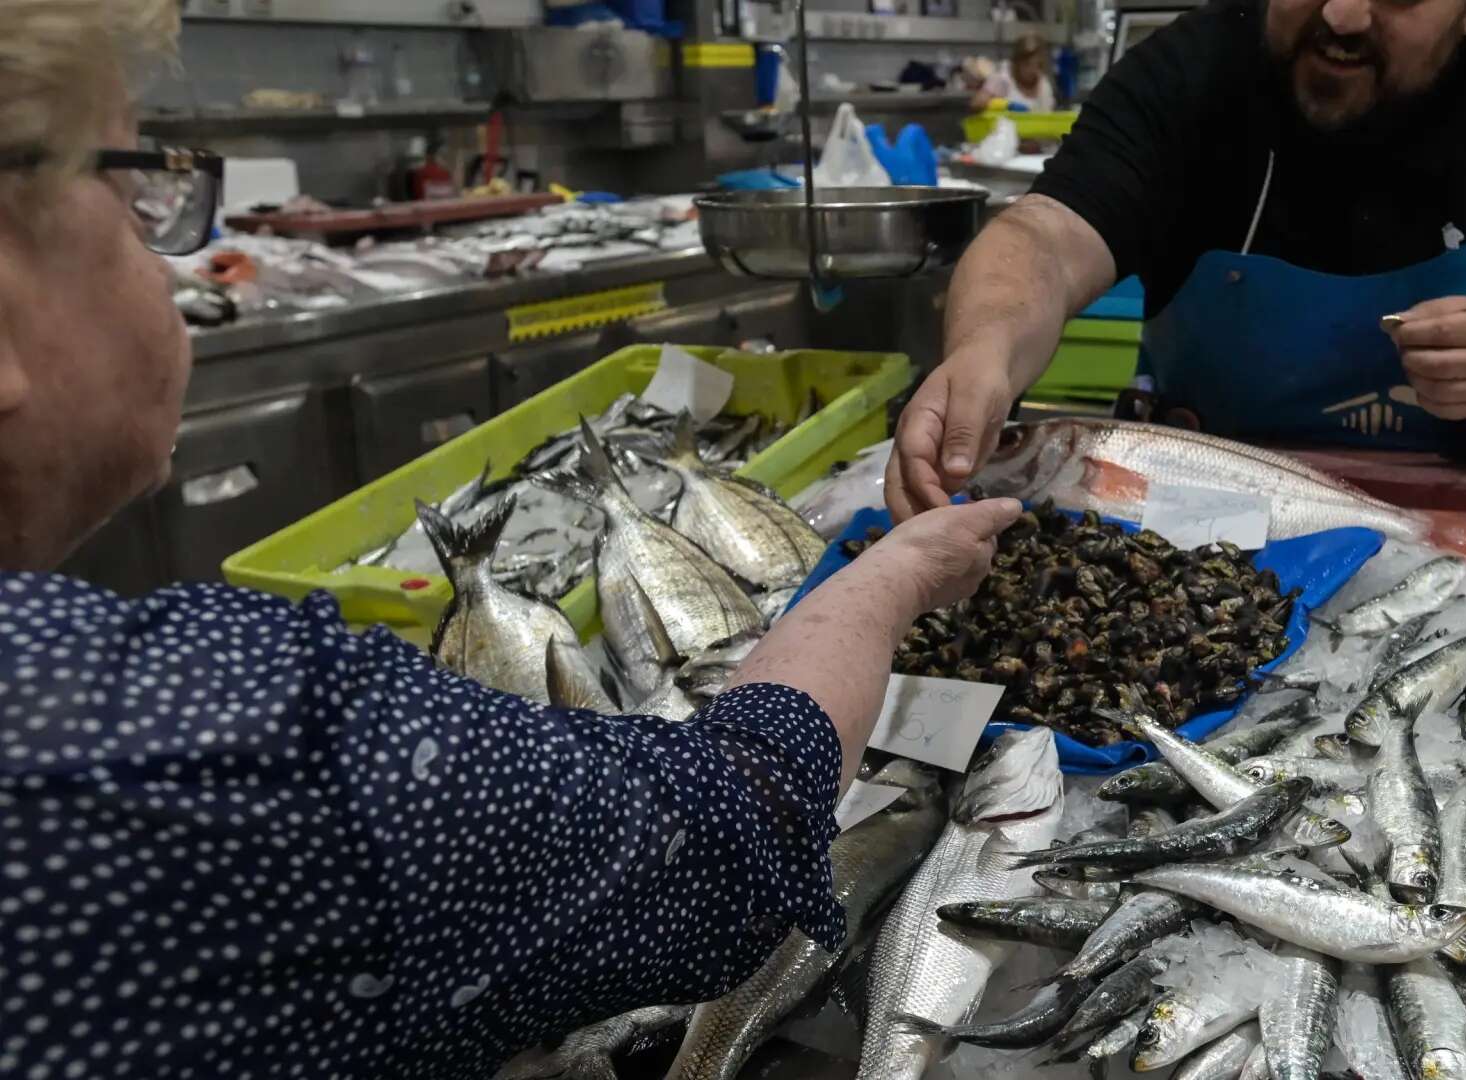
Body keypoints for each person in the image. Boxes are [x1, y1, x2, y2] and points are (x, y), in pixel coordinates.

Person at [0, 3, 1022, 1078]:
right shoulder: (217, 746)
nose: (174, 265)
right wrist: (896, 574)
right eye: (133, 204)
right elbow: (732, 833)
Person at [888, 0, 1466, 520]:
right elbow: (1043, 236)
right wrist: (985, 353)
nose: (1342, 14)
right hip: (1222, 537)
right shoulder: (1199, 68)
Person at [971, 33, 1057, 113]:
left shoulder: (1044, 84)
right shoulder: (1003, 78)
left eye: (1038, 65)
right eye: (1027, 64)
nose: (1033, 70)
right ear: (1016, 62)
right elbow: (976, 104)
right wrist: (1006, 105)